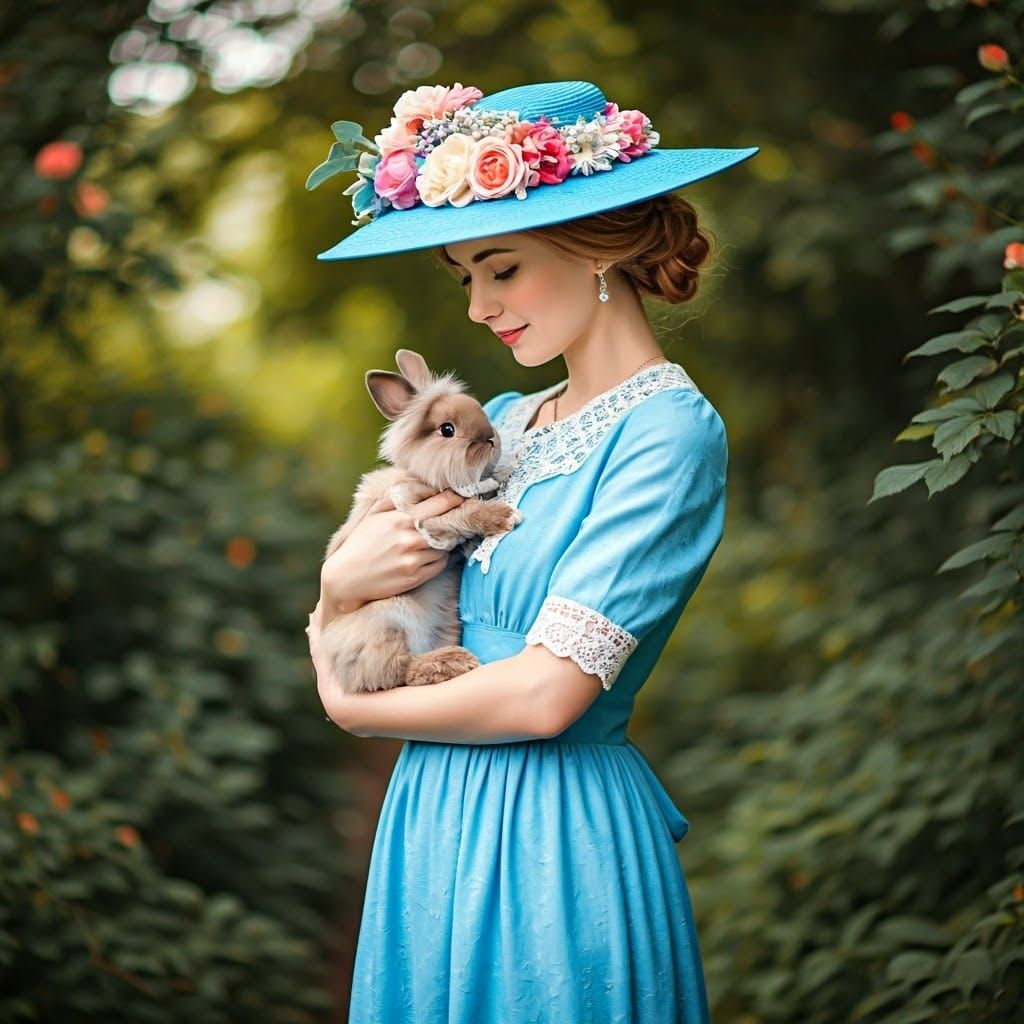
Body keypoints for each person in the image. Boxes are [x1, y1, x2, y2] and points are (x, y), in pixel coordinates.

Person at [304, 79, 759, 1023]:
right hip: (433, 811)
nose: (477, 306)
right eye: (465, 275)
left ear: (600, 247)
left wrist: (348, 705)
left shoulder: (668, 433)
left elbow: (551, 695)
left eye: (501, 269)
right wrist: (331, 587)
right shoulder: (503, 422)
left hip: (553, 836)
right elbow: (373, 579)